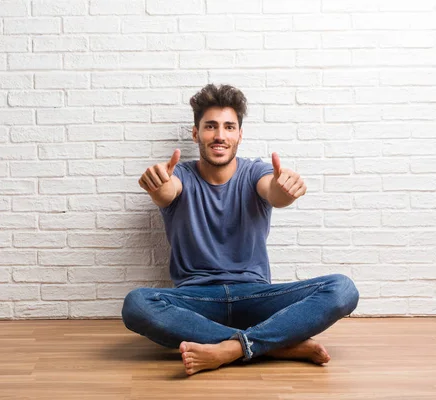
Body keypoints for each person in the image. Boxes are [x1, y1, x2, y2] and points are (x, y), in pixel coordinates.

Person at [121, 84, 359, 376]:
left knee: (342, 288)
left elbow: (274, 192)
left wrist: (286, 190)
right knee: (137, 304)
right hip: (197, 300)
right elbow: (167, 192)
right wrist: (157, 184)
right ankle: (273, 344)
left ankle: (230, 348)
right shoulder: (179, 175)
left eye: (228, 127)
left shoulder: (255, 172)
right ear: (196, 133)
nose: (219, 135)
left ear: (239, 135)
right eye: (210, 126)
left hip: (256, 297)